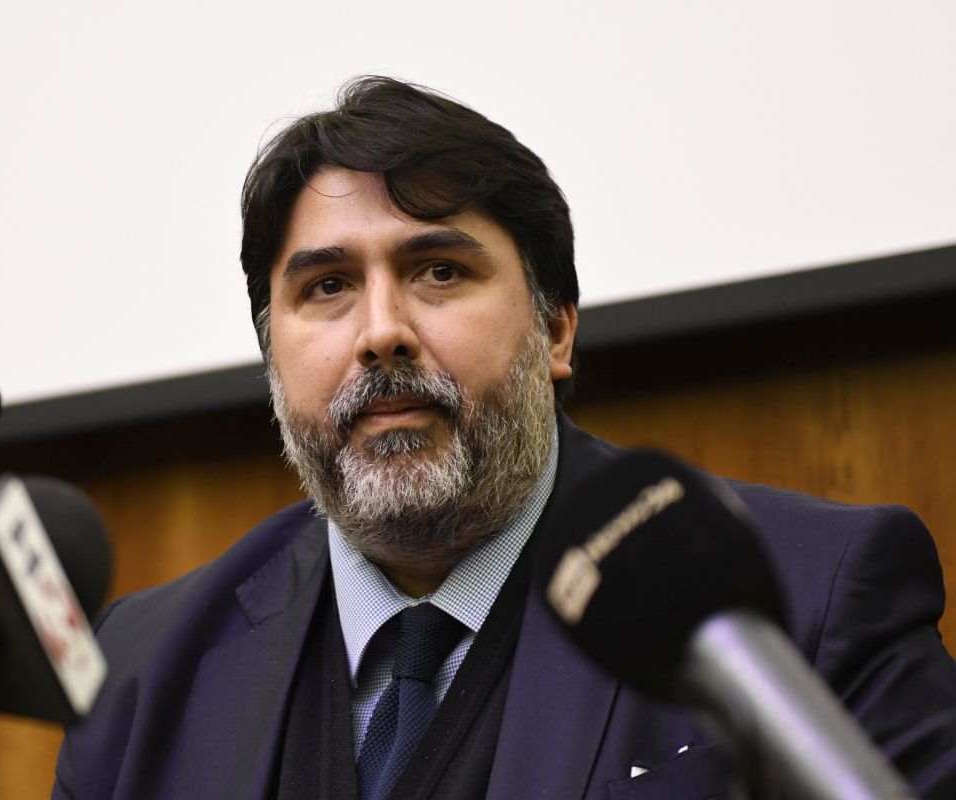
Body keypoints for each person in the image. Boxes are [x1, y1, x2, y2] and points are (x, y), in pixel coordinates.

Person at [53, 77, 956, 799]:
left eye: (438, 271)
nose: (381, 331)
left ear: (555, 330)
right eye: (327, 287)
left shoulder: (807, 601)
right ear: (272, 357)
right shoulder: (141, 673)